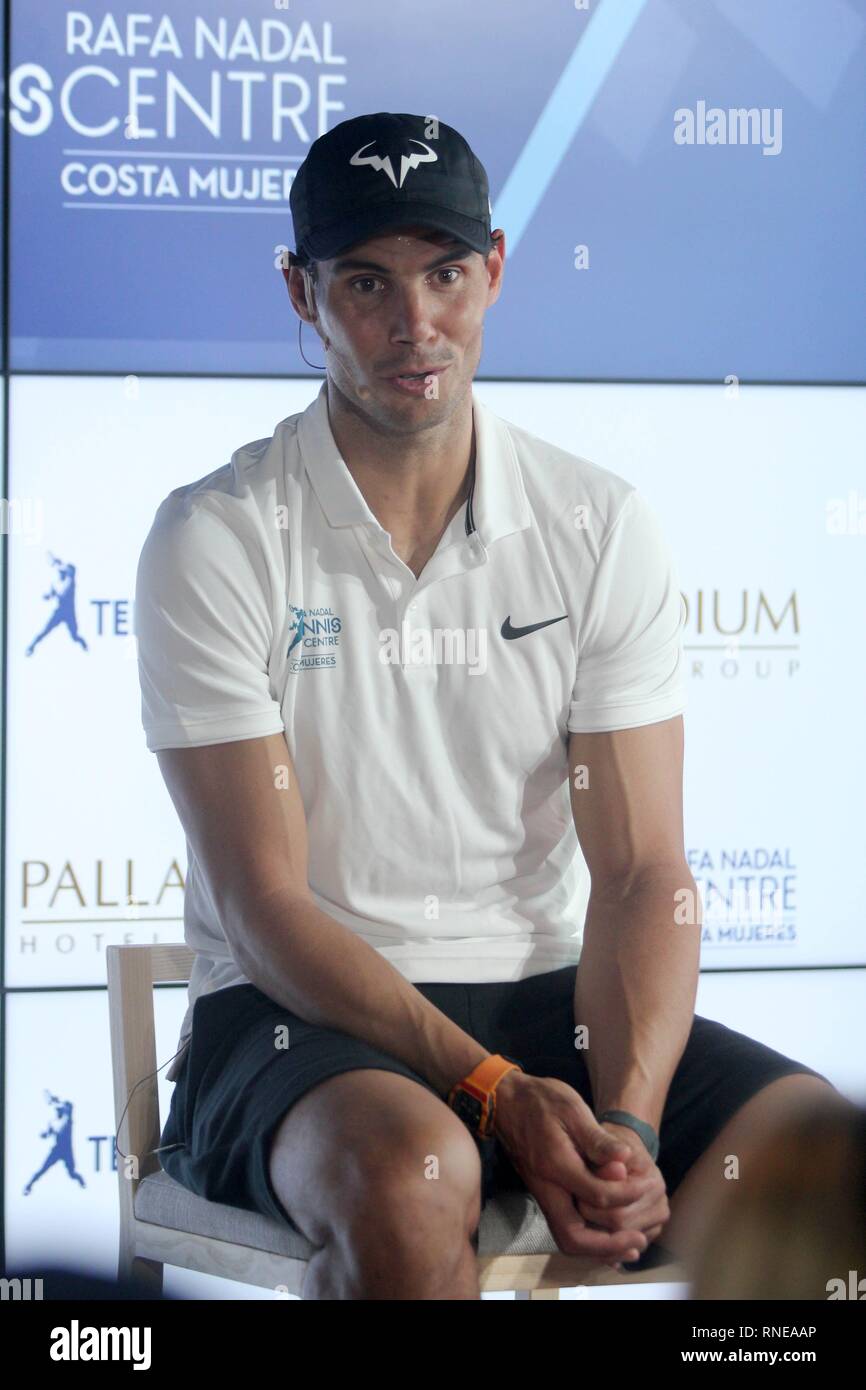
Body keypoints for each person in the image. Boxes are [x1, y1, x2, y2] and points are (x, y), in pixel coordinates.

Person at [133, 111, 834, 1300]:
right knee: (412, 1170)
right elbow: (263, 907)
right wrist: (493, 1091)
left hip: (538, 1004)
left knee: (813, 1160)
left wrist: (629, 1125)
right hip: (293, 1015)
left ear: (496, 269)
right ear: (298, 292)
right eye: (366, 282)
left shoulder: (596, 526)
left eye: (445, 274)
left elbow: (640, 875)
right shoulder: (218, 534)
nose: (415, 326)